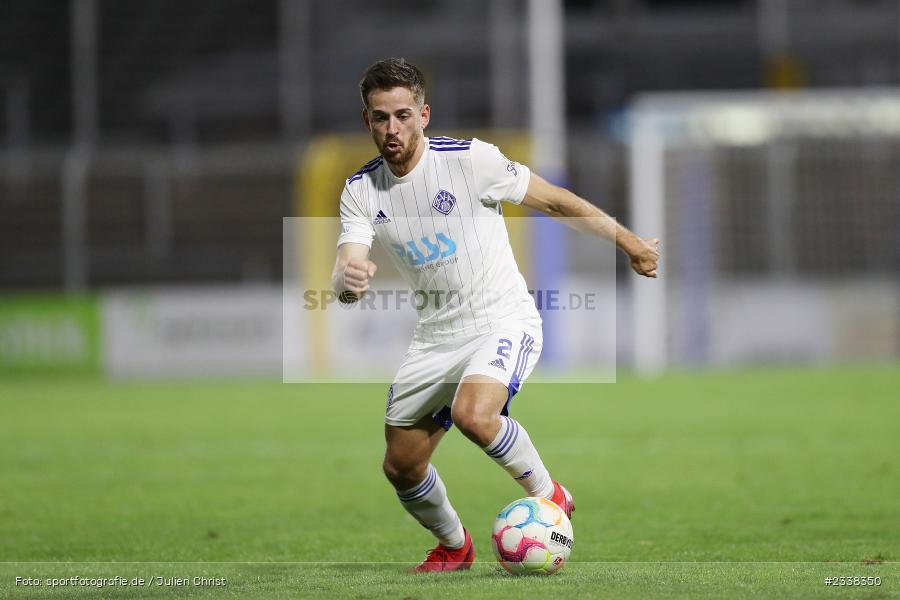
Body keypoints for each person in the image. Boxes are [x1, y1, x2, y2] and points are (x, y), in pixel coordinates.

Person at [332, 58, 659, 573]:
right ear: (366, 120)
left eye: (402, 115)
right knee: (401, 465)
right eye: (380, 117)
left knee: (475, 415)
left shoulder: (470, 161)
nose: (392, 129)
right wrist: (348, 283)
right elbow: (347, 267)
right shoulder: (360, 190)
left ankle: (550, 495)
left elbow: (555, 202)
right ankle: (454, 546)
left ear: (423, 115)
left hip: (500, 319)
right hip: (435, 338)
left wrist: (628, 241)